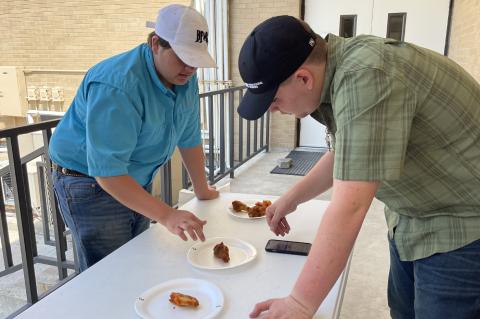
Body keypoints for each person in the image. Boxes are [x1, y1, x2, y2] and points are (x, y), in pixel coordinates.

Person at [237, 15, 480, 319]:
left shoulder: (367, 77)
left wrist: (300, 303)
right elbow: (348, 154)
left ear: (303, 78)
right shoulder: (336, 74)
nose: (275, 111)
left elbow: (349, 206)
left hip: (461, 223)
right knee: (404, 312)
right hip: (411, 217)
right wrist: (291, 199)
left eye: (273, 101)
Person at [49, 4, 219, 272]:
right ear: (155, 44)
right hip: (88, 183)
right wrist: (167, 214)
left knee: (137, 261)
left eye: (196, 60)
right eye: (183, 57)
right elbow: (108, 172)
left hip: (134, 179)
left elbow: (189, 136)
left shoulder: (184, 78)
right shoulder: (117, 85)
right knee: (109, 273)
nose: (189, 68)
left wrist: (202, 189)